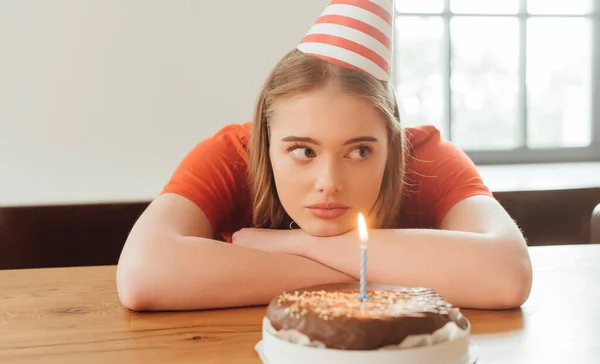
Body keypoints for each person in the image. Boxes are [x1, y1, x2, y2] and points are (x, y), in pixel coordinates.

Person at [116, 0, 532, 312]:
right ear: (265, 137)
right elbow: (142, 275)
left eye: (360, 151)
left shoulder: (426, 157)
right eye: (302, 150)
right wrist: (364, 271)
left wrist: (290, 245)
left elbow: (507, 276)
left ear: (393, 141)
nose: (329, 180)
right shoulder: (231, 155)